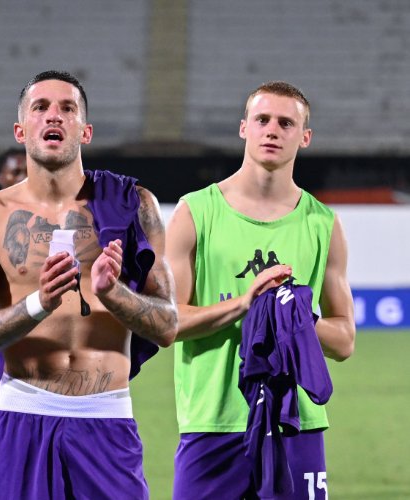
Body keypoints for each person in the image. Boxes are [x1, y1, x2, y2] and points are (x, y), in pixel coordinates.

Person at [0, 71, 178, 499]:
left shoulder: (133, 204)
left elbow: (167, 326)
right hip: (24, 414)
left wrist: (115, 294)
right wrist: (39, 303)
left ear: (85, 131)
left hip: (106, 417)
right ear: (21, 130)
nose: (53, 116)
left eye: (67, 108)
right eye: (40, 107)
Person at [165, 81, 354, 500]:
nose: (272, 130)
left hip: (295, 423)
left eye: (286, 123)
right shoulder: (196, 212)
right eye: (262, 119)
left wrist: (294, 319)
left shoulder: (323, 224)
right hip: (213, 422)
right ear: (243, 128)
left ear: (304, 137)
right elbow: (168, 322)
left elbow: (344, 341)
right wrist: (246, 304)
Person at [0, 147, 28, 401]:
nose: (24, 177)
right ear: (1, 177)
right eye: (16, 171)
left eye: (29, 171)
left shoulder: (53, 223)